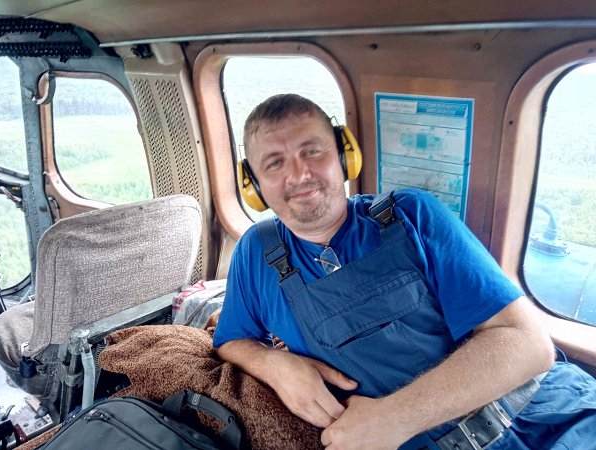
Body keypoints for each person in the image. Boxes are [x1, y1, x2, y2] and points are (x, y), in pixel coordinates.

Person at [213, 93, 596, 449]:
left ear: (345, 156)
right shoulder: (256, 254)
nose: (299, 175)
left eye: (312, 151)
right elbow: (231, 340)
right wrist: (276, 365)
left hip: (549, 414)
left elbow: (528, 343)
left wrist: (393, 419)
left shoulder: (412, 215)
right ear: (253, 185)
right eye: (275, 163)